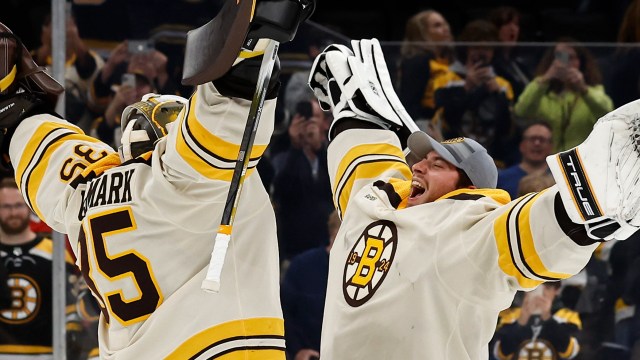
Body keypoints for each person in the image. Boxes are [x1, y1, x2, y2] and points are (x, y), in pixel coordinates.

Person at [0, 0, 311, 357]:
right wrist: (253, 40)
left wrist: (13, 106)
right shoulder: (189, 177)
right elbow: (227, 111)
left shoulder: (82, 193)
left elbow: (42, 144)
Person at [308, 37, 640, 359]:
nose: (419, 166)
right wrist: (353, 107)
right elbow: (367, 159)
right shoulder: (372, 201)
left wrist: (596, 193)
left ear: (465, 187)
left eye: (438, 164)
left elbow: (541, 227)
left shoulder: (468, 229)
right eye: (421, 160)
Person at [0, 179, 81, 359]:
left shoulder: (55, 254)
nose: (13, 213)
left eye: (18, 205)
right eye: (6, 207)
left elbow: (71, 309)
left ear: (29, 207)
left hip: (45, 354)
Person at [433, 19, 517, 167]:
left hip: (493, 159)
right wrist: (467, 87)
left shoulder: (502, 85)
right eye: (476, 47)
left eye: (487, 48)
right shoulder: (446, 79)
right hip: (454, 158)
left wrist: (497, 95)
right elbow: (449, 118)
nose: (481, 52)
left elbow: (506, 128)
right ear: (466, 49)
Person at [514, 38, 613, 152]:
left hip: (581, 159)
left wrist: (583, 89)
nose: (565, 63)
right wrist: (545, 79)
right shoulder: (541, 93)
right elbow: (521, 111)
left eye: (571, 58)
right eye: (560, 57)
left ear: (580, 62)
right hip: (547, 161)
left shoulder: (593, 91)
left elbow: (607, 113)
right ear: (551, 61)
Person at [272, 99, 334, 261]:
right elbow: (282, 192)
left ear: (325, 123)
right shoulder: (284, 156)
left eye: (314, 117)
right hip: (294, 249)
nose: (308, 123)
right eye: (303, 118)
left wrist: (319, 149)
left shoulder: (332, 155)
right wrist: (295, 148)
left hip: (327, 246)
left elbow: (333, 190)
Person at [281, 210, 340, 360]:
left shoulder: (368, 274)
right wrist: (297, 350)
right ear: (332, 235)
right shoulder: (302, 267)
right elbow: (284, 312)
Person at [32, 13, 105, 133]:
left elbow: (92, 76)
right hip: (45, 128)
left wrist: (74, 38)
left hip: (81, 130)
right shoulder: (37, 59)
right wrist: (49, 41)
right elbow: (29, 71)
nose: (62, 34)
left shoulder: (91, 60)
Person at [492, 281, 583, 360]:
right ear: (525, 289)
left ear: (556, 290)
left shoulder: (568, 316)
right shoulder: (510, 315)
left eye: (547, 288)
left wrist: (547, 318)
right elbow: (500, 353)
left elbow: (570, 352)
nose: (542, 294)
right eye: (534, 289)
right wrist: (521, 321)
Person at [396, 10, 454, 121]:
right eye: (437, 25)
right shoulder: (418, 62)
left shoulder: (446, 59)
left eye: (445, 24)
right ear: (422, 33)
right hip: (424, 125)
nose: (446, 28)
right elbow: (410, 103)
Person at [486, 6, 534, 100]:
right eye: (507, 24)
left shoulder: (519, 64)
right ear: (495, 28)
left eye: (516, 24)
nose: (513, 29)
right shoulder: (491, 65)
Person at [497, 121, 554, 199]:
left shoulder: (560, 178)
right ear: (522, 145)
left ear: (550, 147)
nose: (537, 143)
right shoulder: (502, 179)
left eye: (542, 140)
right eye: (532, 139)